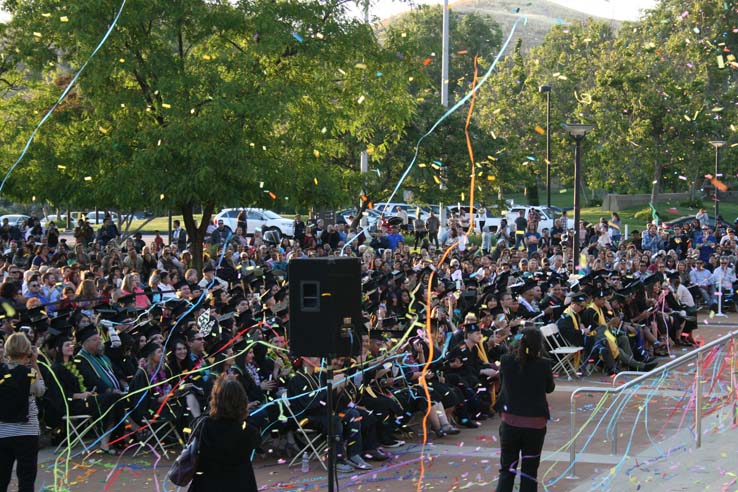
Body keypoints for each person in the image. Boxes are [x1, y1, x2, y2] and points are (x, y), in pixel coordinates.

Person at [494, 327, 554, 492]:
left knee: (507, 469)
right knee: (529, 471)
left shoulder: (506, 360)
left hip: (510, 422)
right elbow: (550, 388)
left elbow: (503, 381)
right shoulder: (544, 364)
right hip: (535, 424)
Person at [188, 374, 261, 492]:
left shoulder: (204, 425)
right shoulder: (248, 430)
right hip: (239, 484)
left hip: (208, 484)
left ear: (216, 399)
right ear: (242, 400)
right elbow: (256, 441)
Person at [0, 333, 46, 492]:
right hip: (27, 430)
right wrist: (35, 364)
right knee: (26, 477)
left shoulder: (1, 373)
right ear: (27, 351)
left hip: (3, 431)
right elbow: (40, 390)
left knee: (2, 475)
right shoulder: (29, 373)